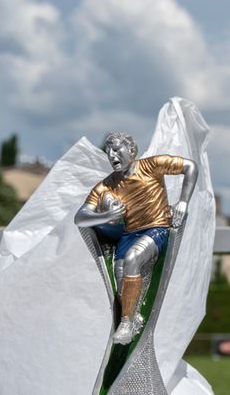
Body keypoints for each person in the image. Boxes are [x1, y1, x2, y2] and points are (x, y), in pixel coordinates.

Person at [74, 132, 194, 345]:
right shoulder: (106, 186)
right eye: (108, 151)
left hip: (156, 229)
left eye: (116, 149)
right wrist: (107, 215)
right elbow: (80, 217)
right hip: (129, 234)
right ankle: (132, 316)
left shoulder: (151, 166)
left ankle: (127, 323)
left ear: (132, 151)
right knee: (121, 283)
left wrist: (183, 201)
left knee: (132, 258)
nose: (111, 155)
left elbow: (190, 167)